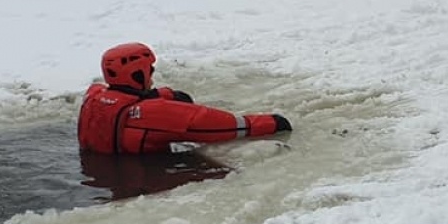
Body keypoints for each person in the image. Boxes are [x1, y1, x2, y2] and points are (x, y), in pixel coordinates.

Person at [77, 42, 291, 155]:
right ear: (138, 74)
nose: (152, 75)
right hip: (142, 183)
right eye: (150, 70)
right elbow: (218, 125)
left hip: (97, 168)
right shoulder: (153, 113)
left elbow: (126, 96)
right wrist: (272, 122)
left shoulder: (94, 95)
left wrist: (165, 94)